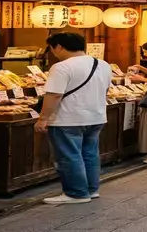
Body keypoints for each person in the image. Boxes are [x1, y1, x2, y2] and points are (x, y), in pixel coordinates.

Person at [35, 32, 111, 204]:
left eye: (52, 48)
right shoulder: (103, 64)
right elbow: (105, 90)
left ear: (59, 46)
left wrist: (43, 118)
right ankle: (91, 190)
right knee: (90, 154)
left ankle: (76, 193)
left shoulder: (62, 67)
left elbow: (54, 95)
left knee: (69, 156)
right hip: (96, 117)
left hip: (67, 118)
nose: (53, 52)